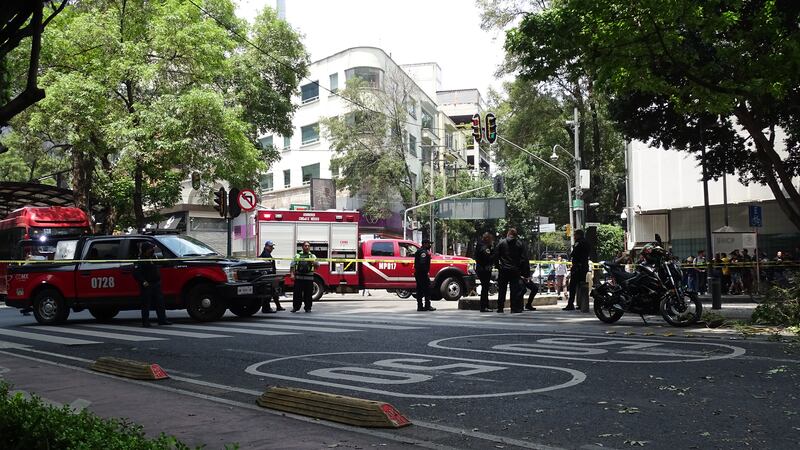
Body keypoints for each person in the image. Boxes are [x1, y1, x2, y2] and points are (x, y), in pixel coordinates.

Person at [133, 242, 171, 327]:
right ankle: (145, 322)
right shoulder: (141, 260)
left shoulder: (153, 257)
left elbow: (162, 264)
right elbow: (136, 273)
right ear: (145, 250)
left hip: (156, 283)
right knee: (146, 304)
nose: (152, 250)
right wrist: (143, 281)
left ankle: (162, 320)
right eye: (150, 249)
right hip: (147, 284)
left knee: (160, 303)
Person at [495, 228, 529, 313]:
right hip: (515, 270)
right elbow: (524, 259)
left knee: (502, 290)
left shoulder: (501, 243)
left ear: (508, 234)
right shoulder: (519, 244)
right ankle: (513, 308)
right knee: (514, 290)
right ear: (516, 235)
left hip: (503, 270)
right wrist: (522, 271)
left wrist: (498, 267)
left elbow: (495, 256)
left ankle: (500, 308)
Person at [564, 229, 591, 311]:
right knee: (582, 285)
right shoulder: (587, 242)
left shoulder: (579, 242)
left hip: (577, 267)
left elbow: (574, 253)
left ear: (579, 235)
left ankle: (570, 304)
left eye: (575, 235)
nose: (574, 236)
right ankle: (582, 304)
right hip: (584, 267)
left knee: (572, 286)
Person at [290, 241, 319, 312]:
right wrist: (292, 274)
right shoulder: (297, 255)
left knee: (308, 295)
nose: (307, 247)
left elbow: (317, 266)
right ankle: (295, 308)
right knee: (297, 294)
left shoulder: (312, 256)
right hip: (299, 278)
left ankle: (308, 308)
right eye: (305, 246)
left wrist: (313, 262)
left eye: (308, 246)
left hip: (309, 278)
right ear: (302, 247)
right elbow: (292, 265)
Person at [259, 240, 284, 313]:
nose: (272, 248)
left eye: (272, 247)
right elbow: (268, 267)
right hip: (268, 277)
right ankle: (266, 308)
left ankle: (278, 306)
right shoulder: (266, 254)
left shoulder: (266, 253)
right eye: (271, 246)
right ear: (266, 246)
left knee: (274, 292)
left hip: (270, 276)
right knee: (269, 292)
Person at [474, 232, 496, 313]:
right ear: (487, 239)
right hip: (484, 270)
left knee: (485, 288)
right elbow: (488, 258)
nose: (492, 241)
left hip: (481, 269)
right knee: (485, 288)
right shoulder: (484, 247)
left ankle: (485, 306)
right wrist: (494, 252)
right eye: (491, 239)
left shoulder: (479, 245)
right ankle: (484, 306)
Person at [413, 238, 436, 312]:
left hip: (418, 273)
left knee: (419, 290)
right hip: (422, 273)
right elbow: (422, 263)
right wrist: (426, 272)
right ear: (425, 244)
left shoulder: (419, 251)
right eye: (429, 244)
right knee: (427, 290)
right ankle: (427, 306)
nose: (429, 245)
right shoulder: (423, 252)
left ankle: (420, 306)